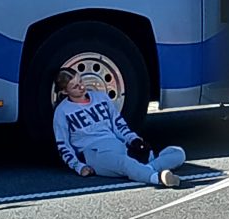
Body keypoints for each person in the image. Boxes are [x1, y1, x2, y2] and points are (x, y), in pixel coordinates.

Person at [52, 68, 185, 187]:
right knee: (125, 164)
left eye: (81, 81)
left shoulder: (101, 97)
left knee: (177, 152)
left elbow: (118, 125)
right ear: (64, 91)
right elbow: (63, 145)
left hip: (119, 145)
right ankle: (159, 178)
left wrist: (134, 140)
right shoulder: (62, 111)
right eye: (75, 86)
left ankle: (145, 169)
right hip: (95, 152)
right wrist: (79, 167)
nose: (81, 87)